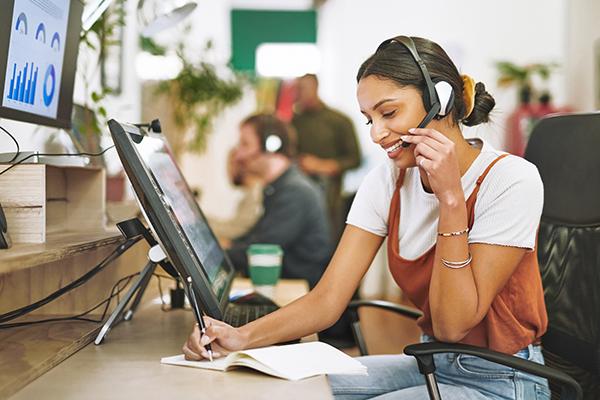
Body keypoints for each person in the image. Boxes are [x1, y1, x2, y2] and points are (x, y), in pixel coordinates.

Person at [183, 36, 549, 400]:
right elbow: (328, 298)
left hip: (503, 379)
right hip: (433, 363)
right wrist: (241, 338)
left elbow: (453, 324)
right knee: (280, 388)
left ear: (441, 100)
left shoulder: (511, 179)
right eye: (369, 119)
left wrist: (450, 198)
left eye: (388, 113)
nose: (376, 134)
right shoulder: (389, 180)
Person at [224, 113, 332, 290]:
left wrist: (213, 259)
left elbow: (260, 250)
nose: (239, 155)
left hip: (302, 294)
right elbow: (257, 236)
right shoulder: (279, 187)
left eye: (245, 144)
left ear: (270, 146)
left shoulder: (294, 192)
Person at [292, 74, 361, 242]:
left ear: (315, 87)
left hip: (331, 197)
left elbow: (355, 159)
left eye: (304, 89)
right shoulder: (295, 121)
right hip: (300, 192)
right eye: (297, 90)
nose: (300, 94)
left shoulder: (339, 121)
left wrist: (325, 166)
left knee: (328, 240)